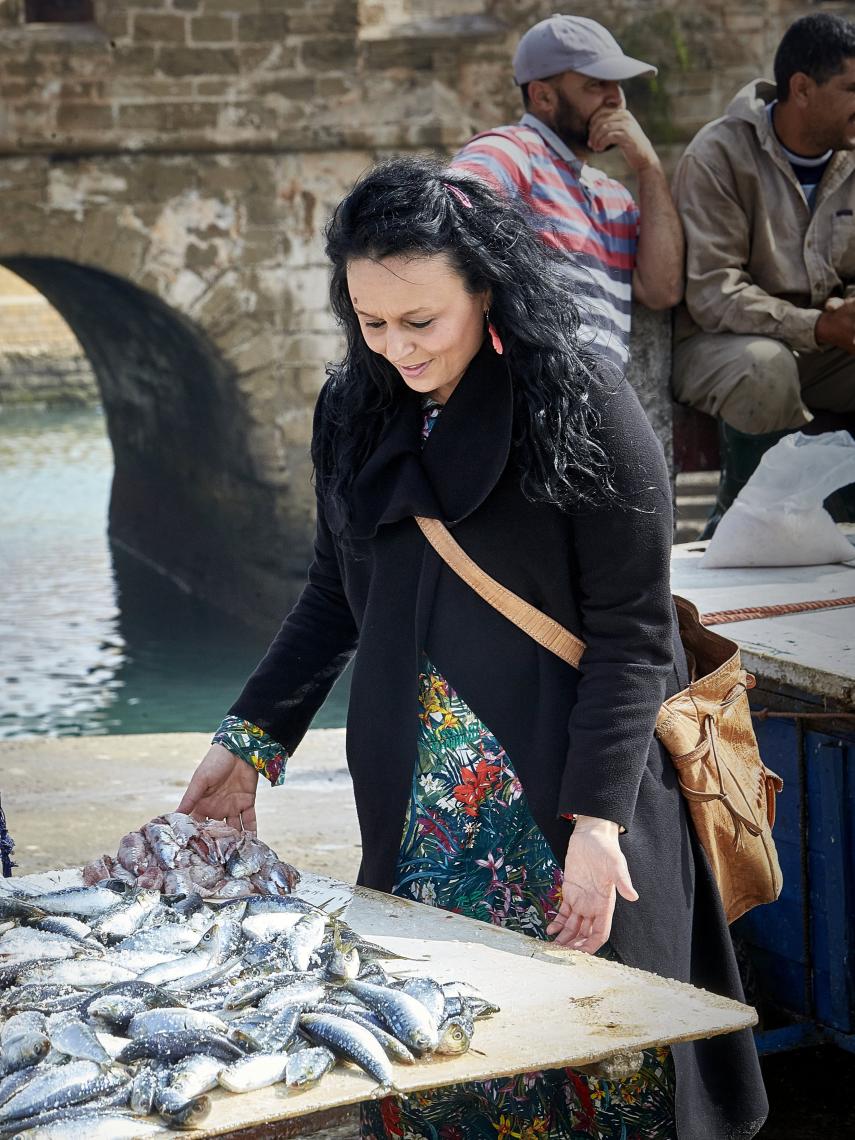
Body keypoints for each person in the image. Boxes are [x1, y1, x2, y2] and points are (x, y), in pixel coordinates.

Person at [176, 157, 766, 1139]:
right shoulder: (352, 412)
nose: (396, 348)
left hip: (573, 806)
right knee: (446, 1068)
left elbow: (631, 638)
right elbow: (335, 598)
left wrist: (597, 826)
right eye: (371, 323)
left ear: (484, 289)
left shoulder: (582, 407)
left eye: (422, 322)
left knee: (609, 1071)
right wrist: (247, 739)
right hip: (421, 821)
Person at [672, 12, 855, 522]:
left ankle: (838, 509)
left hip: (824, 347)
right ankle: (742, 521)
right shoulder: (719, 153)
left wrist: (841, 314)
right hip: (720, 346)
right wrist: (818, 324)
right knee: (765, 368)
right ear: (801, 88)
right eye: (853, 88)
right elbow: (714, 293)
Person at [451, 13, 684, 376]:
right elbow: (450, 205)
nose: (616, 100)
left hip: (597, 394)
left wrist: (649, 168)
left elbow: (663, 290)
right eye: (596, 86)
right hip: (533, 387)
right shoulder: (514, 149)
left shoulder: (615, 197)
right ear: (543, 95)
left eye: (617, 85)